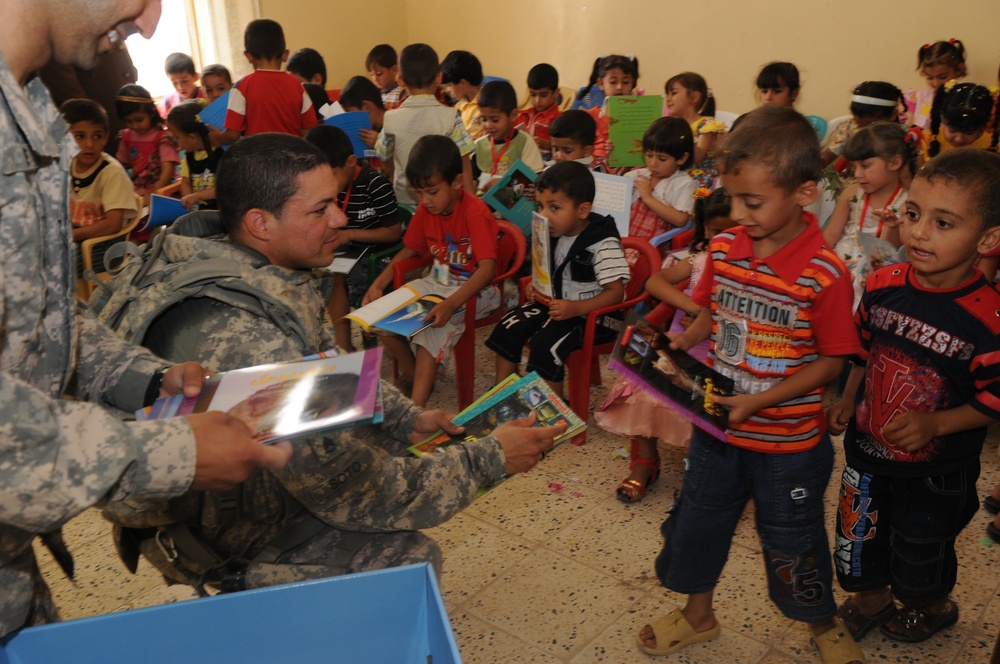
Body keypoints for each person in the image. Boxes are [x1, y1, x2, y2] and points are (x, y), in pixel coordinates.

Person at [100, 132, 563, 593]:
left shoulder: (243, 265)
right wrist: (492, 458)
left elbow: (325, 365)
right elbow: (362, 492)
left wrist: (408, 419)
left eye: (335, 202)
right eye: (320, 210)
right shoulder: (250, 341)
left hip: (234, 468)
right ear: (260, 223)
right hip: (212, 529)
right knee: (408, 566)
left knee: (392, 445)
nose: (341, 218)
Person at [0, 0, 290, 639]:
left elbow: (43, 317)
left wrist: (148, 378)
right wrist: (166, 454)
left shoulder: (28, 115)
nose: (154, 22)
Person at [637, 107, 863, 663]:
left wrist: (760, 401)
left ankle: (822, 621)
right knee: (699, 520)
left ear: (805, 192)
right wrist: (674, 348)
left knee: (794, 540)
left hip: (788, 444)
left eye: (752, 203)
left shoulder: (824, 273)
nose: (736, 215)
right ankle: (698, 614)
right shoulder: (725, 250)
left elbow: (834, 361)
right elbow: (710, 316)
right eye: (732, 199)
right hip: (719, 428)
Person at [826, 148, 1000, 645]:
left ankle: (931, 604)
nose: (918, 232)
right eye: (913, 214)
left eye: (943, 223)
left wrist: (937, 425)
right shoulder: (881, 285)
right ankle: (871, 597)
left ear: (988, 239)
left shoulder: (987, 322)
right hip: (867, 450)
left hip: (936, 471)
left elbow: (996, 399)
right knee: (857, 534)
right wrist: (846, 398)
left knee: (920, 547)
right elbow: (863, 349)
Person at [596, 188, 736, 502]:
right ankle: (645, 461)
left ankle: (699, 468)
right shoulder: (700, 262)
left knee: (705, 408)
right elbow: (655, 282)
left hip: (720, 358)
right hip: (681, 348)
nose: (724, 241)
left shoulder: (751, 275)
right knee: (640, 392)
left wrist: (711, 320)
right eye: (716, 232)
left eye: (732, 232)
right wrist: (692, 307)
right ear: (705, 230)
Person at [364, 135, 498, 407]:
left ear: (457, 183)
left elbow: (488, 269)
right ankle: (421, 375)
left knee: (428, 331)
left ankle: (415, 411)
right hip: (437, 283)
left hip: (476, 292)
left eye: (432, 192)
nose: (424, 201)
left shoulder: (474, 211)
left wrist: (451, 304)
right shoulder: (427, 211)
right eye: (419, 192)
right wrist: (379, 284)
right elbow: (409, 251)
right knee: (378, 319)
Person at [485, 161, 629, 396]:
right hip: (557, 306)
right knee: (508, 325)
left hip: (595, 318)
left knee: (545, 345)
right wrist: (535, 284)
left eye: (554, 208)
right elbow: (549, 271)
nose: (543, 215)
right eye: (540, 206)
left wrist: (576, 308)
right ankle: (503, 395)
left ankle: (551, 411)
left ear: (582, 210)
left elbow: (616, 293)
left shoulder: (603, 244)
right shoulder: (553, 232)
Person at [305, 124, 401, 351]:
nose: (326, 184)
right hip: (348, 253)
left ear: (350, 162)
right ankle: (345, 346)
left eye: (332, 176)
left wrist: (350, 234)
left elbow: (393, 233)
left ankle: (386, 346)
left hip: (379, 254)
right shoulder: (329, 190)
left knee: (357, 288)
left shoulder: (375, 185)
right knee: (329, 277)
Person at [823, 123, 914, 308]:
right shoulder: (851, 193)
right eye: (854, 166)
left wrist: (892, 227)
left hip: (878, 278)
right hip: (839, 271)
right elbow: (828, 238)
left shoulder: (908, 203)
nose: (857, 174)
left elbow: (898, 254)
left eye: (865, 166)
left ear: (894, 163)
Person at [373, 43, 475, 205]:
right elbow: (465, 164)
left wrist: (394, 179)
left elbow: (384, 156)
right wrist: (471, 204)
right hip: (443, 204)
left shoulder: (390, 118)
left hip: (405, 206)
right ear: (439, 77)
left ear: (401, 81)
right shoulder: (450, 117)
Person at [216, 18, 318, 143]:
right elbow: (308, 129)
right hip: (291, 158)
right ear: (285, 55)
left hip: (257, 159)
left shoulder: (242, 87)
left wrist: (216, 138)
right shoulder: (298, 87)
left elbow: (232, 135)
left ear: (248, 56)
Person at [61, 98, 138, 242]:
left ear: (105, 137)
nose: (89, 144)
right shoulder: (66, 164)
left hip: (100, 246)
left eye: (97, 136)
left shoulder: (111, 172)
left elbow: (112, 225)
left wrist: (68, 237)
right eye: (80, 136)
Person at [624, 116, 697, 244]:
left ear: (682, 158)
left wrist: (648, 197)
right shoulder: (636, 176)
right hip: (624, 239)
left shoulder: (683, 183)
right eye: (648, 155)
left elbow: (681, 220)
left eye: (662, 159)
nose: (653, 163)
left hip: (651, 247)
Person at [473, 80, 545, 192]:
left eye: (495, 120)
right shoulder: (478, 145)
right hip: (482, 205)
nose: (488, 125)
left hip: (512, 205)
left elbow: (535, 179)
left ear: (513, 115)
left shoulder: (524, 142)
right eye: (483, 119)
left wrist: (504, 183)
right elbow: (471, 181)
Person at [114, 83, 179, 204]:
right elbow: (119, 167)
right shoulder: (126, 137)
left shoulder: (163, 138)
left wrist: (155, 193)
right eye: (128, 121)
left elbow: (167, 170)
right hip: (137, 189)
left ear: (152, 112)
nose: (134, 126)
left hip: (163, 188)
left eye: (139, 120)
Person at [821, 81, 904, 169]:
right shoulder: (849, 128)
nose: (866, 132)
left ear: (893, 115)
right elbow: (826, 157)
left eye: (873, 126)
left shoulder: (903, 138)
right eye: (860, 126)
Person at [664, 72, 726, 189]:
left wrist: (681, 135)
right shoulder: (675, 126)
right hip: (681, 179)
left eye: (673, 93)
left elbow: (697, 157)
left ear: (693, 97)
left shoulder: (706, 125)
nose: (668, 99)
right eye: (667, 94)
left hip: (702, 182)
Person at [576, 55, 639, 159]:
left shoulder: (637, 117)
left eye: (626, 82)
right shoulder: (589, 117)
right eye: (613, 82)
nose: (619, 87)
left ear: (632, 84)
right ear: (601, 83)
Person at [166, 100, 223, 210]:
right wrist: (189, 199)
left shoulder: (220, 153)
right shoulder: (189, 156)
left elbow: (222, 188)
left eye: (177, 137)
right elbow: (185, 182)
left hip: (222, 212)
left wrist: (196, 196)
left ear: (192, 138)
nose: (176, 142)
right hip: (200, 211)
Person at [922, 81, 996, 162]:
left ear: (982, 128)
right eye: (952, 130)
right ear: (943, 119)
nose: (959, 139)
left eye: (970, 133)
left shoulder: (993, 147)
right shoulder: (926, 141)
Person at [904, 39, 967, 130]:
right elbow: (911, 127)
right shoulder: (920, 98)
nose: (935, 83)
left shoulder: (964, 98)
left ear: (958, 70)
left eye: (943, 77)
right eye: (930, 78)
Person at [515, 63, 562, 158]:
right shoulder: (523, 115)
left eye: (543, 95)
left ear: (556, 93)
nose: (537, 101)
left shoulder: (560, 120)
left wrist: (547, 144)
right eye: (533, 94)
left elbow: (566, 148)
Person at [441, 49, 485, 139]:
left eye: (449, 85)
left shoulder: (489, 100)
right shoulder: (458, 107)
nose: (447, 90)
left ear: (462, 82)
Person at [366, 43, 405, 109]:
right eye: (372, 74)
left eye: (379, 74)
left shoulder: (401, 93)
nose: (375, 79)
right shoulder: (373, 94)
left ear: (394, 70)